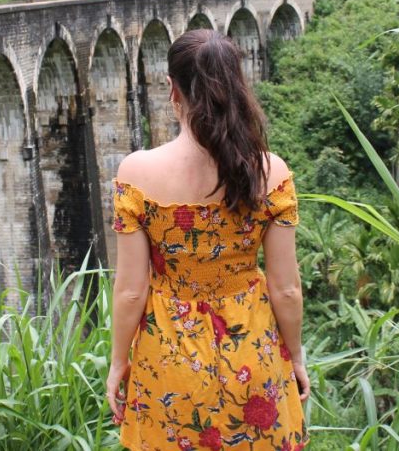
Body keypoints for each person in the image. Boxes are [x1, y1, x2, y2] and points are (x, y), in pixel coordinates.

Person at [106, 29, 309, 451]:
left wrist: (118, 361)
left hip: (169, 361)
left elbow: (130, 291)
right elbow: (285, 288)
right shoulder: (269, 171)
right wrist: (296, 354)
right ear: (236, 85)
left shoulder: (137, 172)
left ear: (172, 90)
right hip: (252, 355)